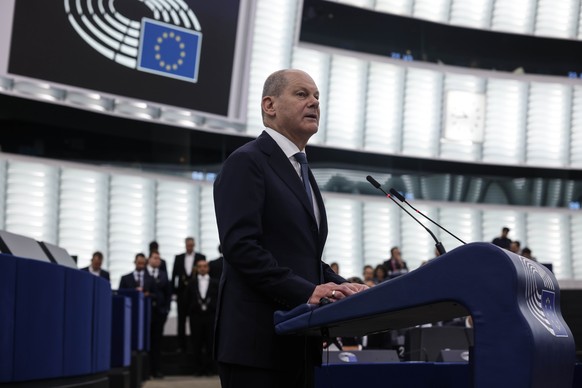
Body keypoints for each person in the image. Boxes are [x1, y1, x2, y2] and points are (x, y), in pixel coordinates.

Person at [213, 69, 367, 388]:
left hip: (300, 342)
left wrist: (344, 287)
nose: (313, 102)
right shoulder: (247, 162)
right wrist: (307, 291)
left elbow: (301, 255)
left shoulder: (302, 170)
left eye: (317, 97)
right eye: (301, 94)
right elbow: (241, 247)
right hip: (257, 346)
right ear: (270, 105)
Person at [171, 237, 206, 352]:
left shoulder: (201, 257)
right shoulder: (179, 258)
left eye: (192, 245)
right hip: (181, 294)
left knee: (195, 321)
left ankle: (195, 346)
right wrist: (174, 293)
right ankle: (181, 346)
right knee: (181, 320)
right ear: (185, 245)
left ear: (194, 245)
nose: (190, 247)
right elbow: (174, 276)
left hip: (195, 295)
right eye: (188, 245)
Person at [187, 259, 218, 376]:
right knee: (197, 344)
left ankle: (210, 369)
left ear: (208, 268)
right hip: (196, 317)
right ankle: (198, 369)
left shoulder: (215, 282)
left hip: (210, 317)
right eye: (200, 266)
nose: (202, 268)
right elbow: (187, 300)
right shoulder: (192, 283)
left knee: (210, 343)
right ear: (197, 268)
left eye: (205, 266)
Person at [147, 251, 172, 378]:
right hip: (145, 314)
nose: (158, 260)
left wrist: (166, 310)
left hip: (159, 314)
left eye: (159, 259)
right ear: (149, 259)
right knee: (146, 342)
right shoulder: (144, 274)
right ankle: (145, 371)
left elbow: (168, 294)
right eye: (155, 258)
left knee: (157, 342)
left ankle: (156, 370)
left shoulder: (163, 275)